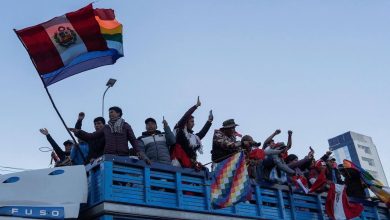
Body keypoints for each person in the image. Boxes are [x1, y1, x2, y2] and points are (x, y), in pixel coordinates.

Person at [71, 106, 150, 164]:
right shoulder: (106, 127)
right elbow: (91, 136)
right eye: (109, 113)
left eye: (112, 112)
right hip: (109, 156)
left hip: (123, 156)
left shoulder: (126, 126)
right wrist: (78, 131)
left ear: (118, 113)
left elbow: (133, 140)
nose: (110, 114)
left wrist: (141, 153)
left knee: (120, 176)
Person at [171, 97, 213, 168]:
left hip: (190, 163)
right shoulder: (179, 129)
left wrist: (209, 121)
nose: (194, 123)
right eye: (192, 121)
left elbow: (202, 133)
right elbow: (185, 116)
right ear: (186, 122)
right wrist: (196, 106)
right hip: (178, 162)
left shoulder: (194, 137)